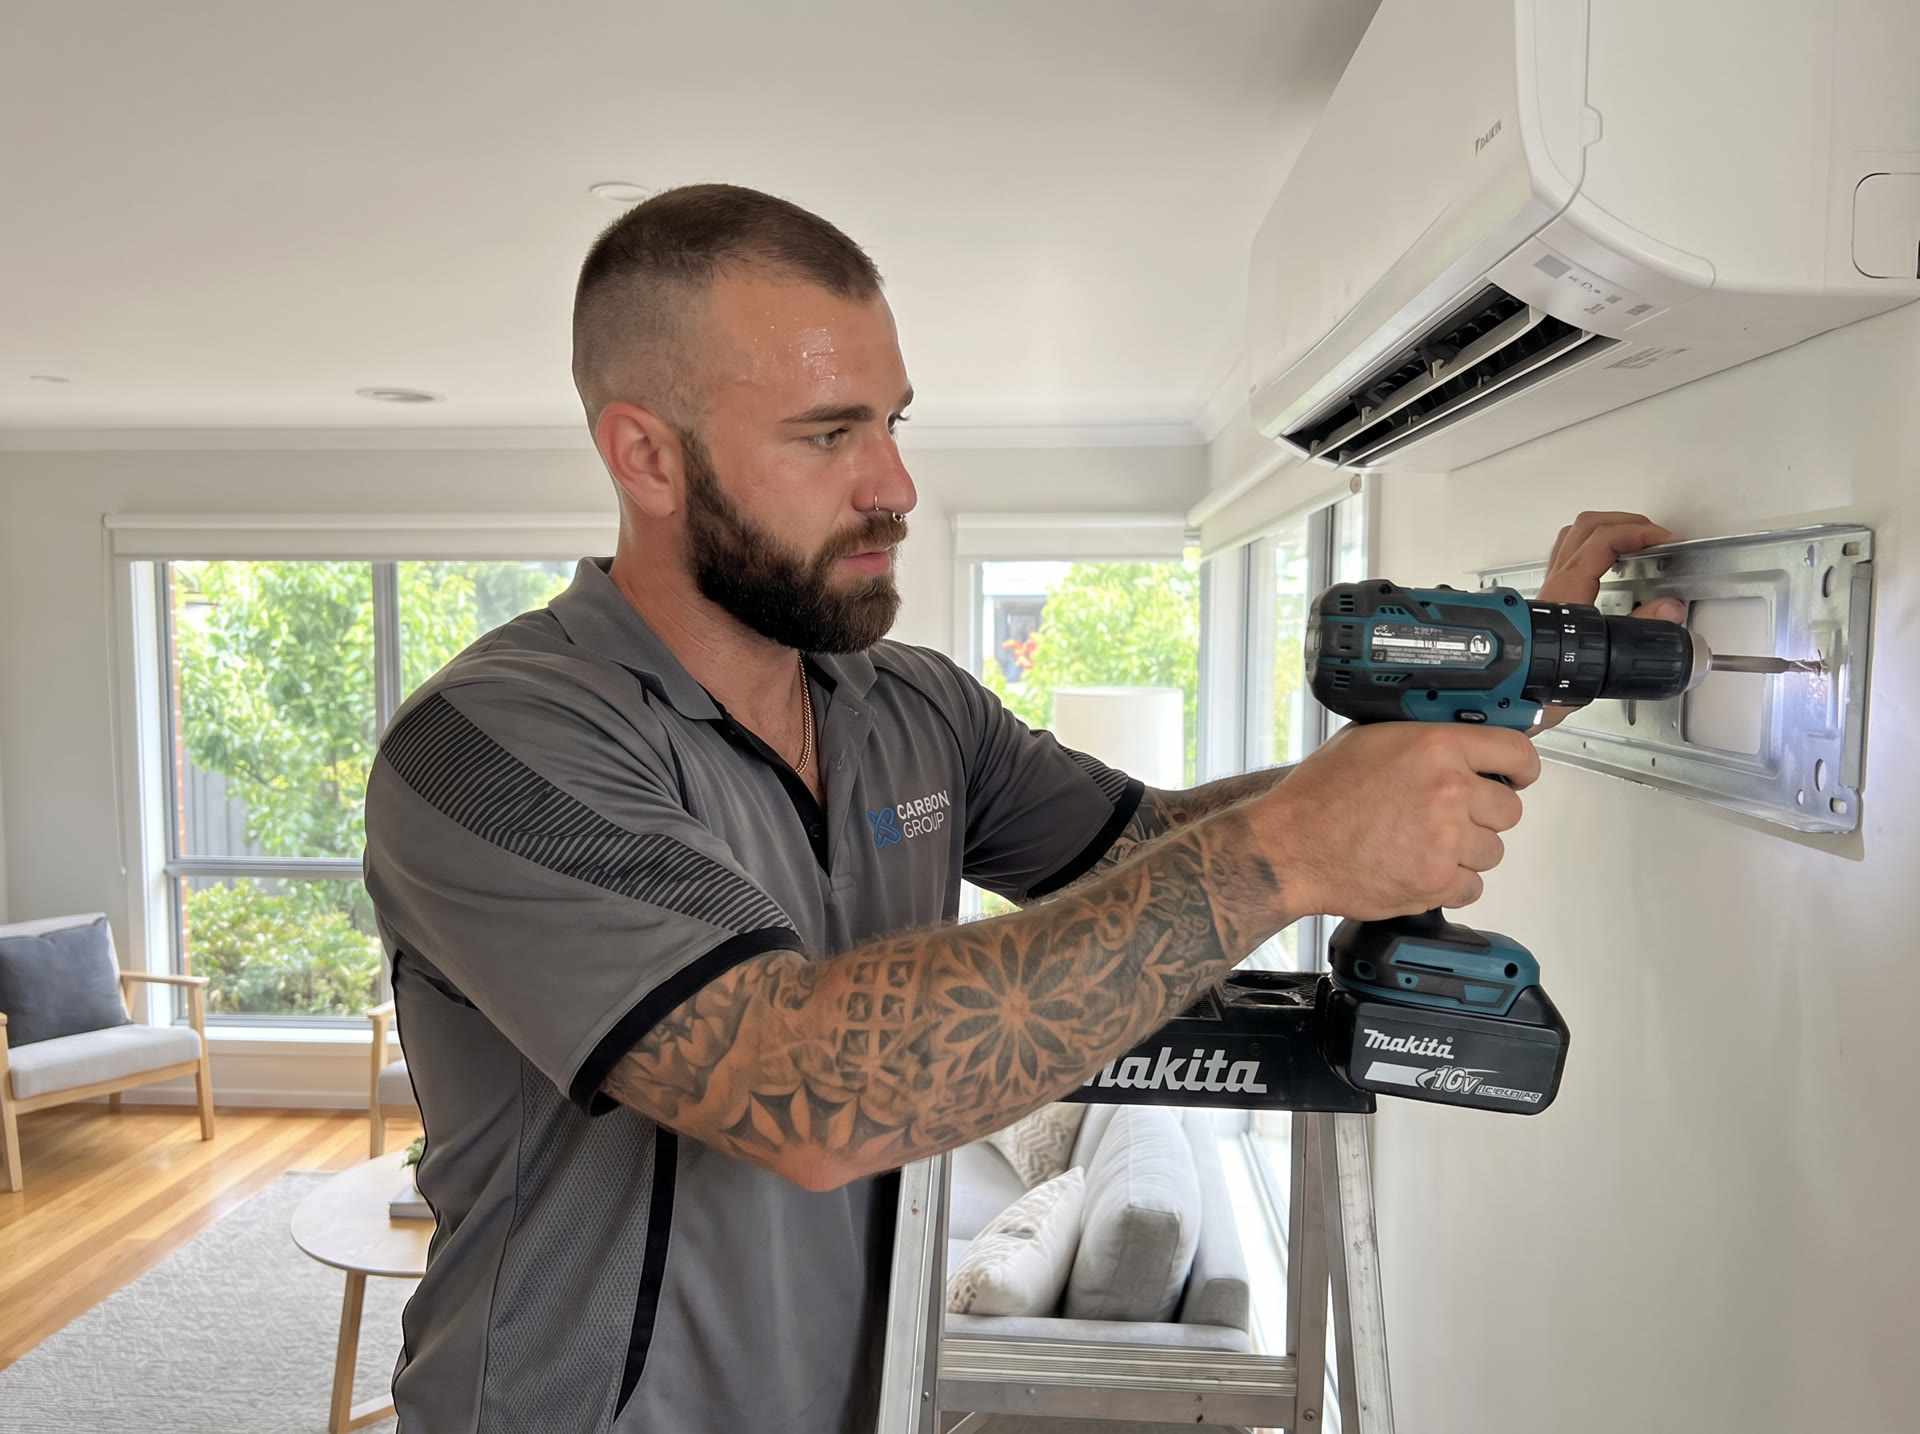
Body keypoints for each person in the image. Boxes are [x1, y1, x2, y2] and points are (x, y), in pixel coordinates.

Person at [362, 182, 1681, 1432]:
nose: (895, 485)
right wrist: (1291, 851)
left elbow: (1156, 853)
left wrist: (1477, 713)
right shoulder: (494, 749)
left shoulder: (911, 710)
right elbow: (804, 1090)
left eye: (894, 421)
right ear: (646, 455)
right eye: (829, 434)